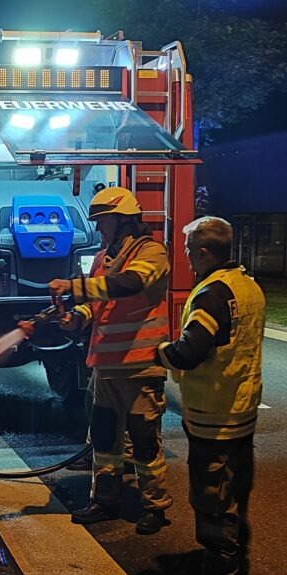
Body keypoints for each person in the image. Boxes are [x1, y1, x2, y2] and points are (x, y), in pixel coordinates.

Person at [48, 186, 172, 535]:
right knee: (104, 442)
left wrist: (76, 288)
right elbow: (98, 299)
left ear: (124, 220)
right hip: (105, 368)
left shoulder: (152, 252)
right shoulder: (104, 256)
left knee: (145, 444)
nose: (100, 228)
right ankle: (104, 501)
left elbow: (130, 284)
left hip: (140, 367)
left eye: (103, 221)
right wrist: (78, 318)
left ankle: (156, 507)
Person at [155, 216, 266, 575]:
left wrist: (160, 354)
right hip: (243, 408)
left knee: (211, 496)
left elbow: (190, 351)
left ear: (203, 252)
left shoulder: (211, 294)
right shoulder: (248, 286)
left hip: (212, 416)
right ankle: (231, 562)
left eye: (187, 251)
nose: (186, 258)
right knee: (235, 491)